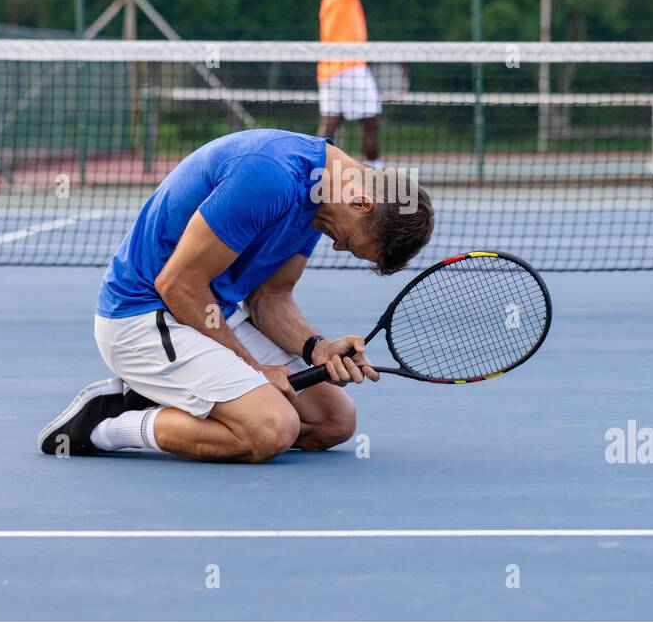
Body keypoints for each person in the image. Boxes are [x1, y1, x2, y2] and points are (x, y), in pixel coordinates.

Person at [38, 128, 434, 464]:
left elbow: (270, 296)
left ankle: (187, 399)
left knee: (333, 422)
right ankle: (107, 426)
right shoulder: (271, 175)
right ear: (361, 202)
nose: (337, 246)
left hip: (208, 311)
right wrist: (255, 372)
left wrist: (316, 348)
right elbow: (177, 284)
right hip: (143, 317)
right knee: (271, 429)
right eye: (349, 242)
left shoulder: (322, 199)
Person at [317, 0, 383, 167]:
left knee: (329, 125)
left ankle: (311, 176)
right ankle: (375, 175)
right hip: (349, 69)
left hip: (329, 71)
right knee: (370, 120)